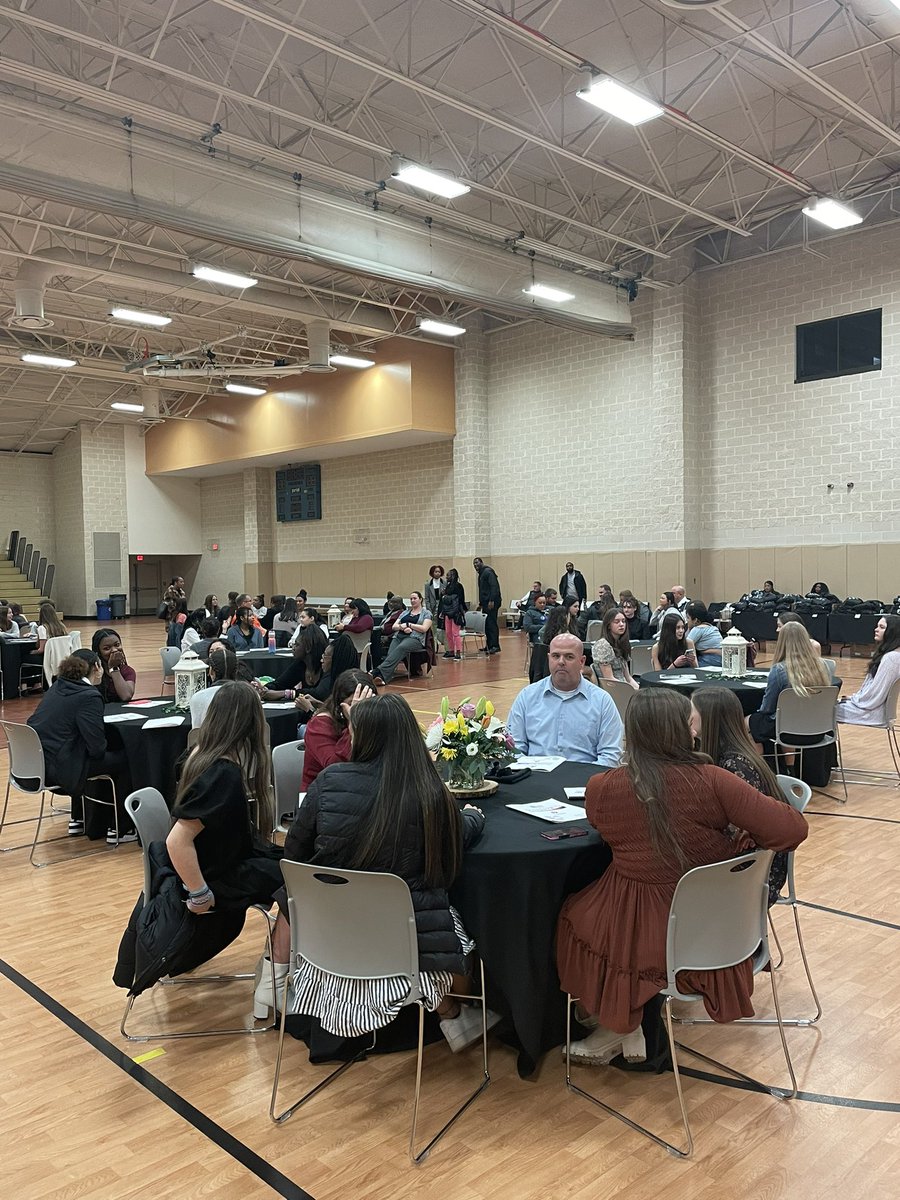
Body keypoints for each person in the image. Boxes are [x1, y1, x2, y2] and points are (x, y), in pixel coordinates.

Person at [556, 688, 808, 1066]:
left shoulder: (603, 788)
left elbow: (601, 827)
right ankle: (623, 1025)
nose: (696, 731)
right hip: (715, 931)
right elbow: (792, 829)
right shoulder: (713, 780)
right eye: (690, 723)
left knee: (570, 916)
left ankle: (617, 1022)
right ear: (679, 731)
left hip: (639, 928)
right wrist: (743, 842)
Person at [264, 693, 493, 1051]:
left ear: (364, 736)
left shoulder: (328, 783)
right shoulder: (429, 793)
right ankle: (452, 1012)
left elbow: (295, 859)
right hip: (406, 950)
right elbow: (448, 862)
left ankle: (272, 982)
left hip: (327, 942)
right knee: (461, 924)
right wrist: (473, 819)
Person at [165, 682, 283, 926]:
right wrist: (200, 894)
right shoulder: (222, 773)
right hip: (214, 875)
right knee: (298, 877)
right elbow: (176, 840)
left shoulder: (197, 754)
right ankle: (281, 955)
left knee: (289, 860)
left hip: (215, 861)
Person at [690, 687, 790, 906]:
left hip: (756, 871)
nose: (688, 717)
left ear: (709, 719)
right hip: (748, 857)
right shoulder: (728, 754)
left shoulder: (735, 766)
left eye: (692, 711)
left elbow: (743, 830)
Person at [27, 651, 134, 843]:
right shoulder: (89, 696)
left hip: (33, 766)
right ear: (96, 668)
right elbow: (97, 749)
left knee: (83, 754)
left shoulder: (57, 686)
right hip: (60, 771)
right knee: (127, 759)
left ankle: (80, 818)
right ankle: (120, 828)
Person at [507, 633, 623, 766]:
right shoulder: (527, 696)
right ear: (549, 658)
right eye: (556, 656)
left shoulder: (602, 701)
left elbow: (611, 755)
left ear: (582, 662)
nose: (561, 662)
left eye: (569, 657)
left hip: (583, 781)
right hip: (535, 777)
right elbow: (513, 748)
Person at [748, 621, 832, 750]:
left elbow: (767, 708)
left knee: (746, 723)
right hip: (818, 729)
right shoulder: (823, 666)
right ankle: (790, 768)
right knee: (787, 719)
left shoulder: (779, 670)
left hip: (788, 732)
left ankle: (759, 768)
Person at [300, 669, 376, 789]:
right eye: (353, 704)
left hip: (358, 788)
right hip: (321, 793)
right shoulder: (319, 725)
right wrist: (354, 724)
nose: (361, 711)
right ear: (339, 705)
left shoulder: (373, 718)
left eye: (366, 703)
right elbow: (336, 768)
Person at [837, 615, 900, 725]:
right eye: (877, 626)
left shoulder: (891, 658)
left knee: (823, 710)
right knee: (826, 707)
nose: (876, 629)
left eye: (881, 627)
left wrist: (855, 700)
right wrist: (853, 698)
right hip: (872, 709)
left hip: (872, 713)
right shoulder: (892, 654)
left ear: (892, 631)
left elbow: (875, 695)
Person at [372, 592, 433, 685]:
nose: (412, 601)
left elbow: (424, 628)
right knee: (391, 653)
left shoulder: (426, 613)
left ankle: (376, 672)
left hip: (415, 638)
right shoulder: (405, 612)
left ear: (420, 599)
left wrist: (410, 625)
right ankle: (382, 678)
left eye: (415, 598)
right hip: (399, 636)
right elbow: (394, 626)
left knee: (401, 648)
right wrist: (402, 627)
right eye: (411, 599)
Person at [189, 646, 238, 728]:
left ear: (211, 671)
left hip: (211, 740)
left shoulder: (198, 698)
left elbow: (196, 731)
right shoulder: (251, 694)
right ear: (236, 671)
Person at [592, 608, 638, 689]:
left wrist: (639, 690)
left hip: (625, 686)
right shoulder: (603, 645)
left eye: (623, 621)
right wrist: (630, 690)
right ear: (608, 625)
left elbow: (628, 678)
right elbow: (609, 680)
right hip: (613, 691)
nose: (621, 624)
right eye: (617, 622)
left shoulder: (621, 643)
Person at [92, 628, 137, 703]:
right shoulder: (92, 671)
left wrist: (113, 668)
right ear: (98, 652)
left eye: (117, 645)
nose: (114, 650)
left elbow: (126, 696)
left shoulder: (127, 671)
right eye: (107, 648)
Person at [473, 557, 502, 655]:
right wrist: (481, 603)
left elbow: (494, 587)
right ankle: (489, 645)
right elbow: (483, 590)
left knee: (491, 624)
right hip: (486, 603)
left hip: (492, 603)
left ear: (481, 562)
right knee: (487, 624)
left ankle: (495, 646)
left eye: (477, 563)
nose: (475, 565)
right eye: (474, 564)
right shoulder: (481, 574)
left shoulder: (488, 572)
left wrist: (491, 600)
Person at [439, 568, 466, 661]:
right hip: (447, 612)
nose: (446, 577)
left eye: (448, 575)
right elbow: (444, 601)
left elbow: (461, 600)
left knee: (455, 633)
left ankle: (458, 651)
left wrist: (462, 611)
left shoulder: (459, 586)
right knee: (448, 632)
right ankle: (451, 650)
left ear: (453, 576)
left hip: (456, 612)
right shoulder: (447, 586)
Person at [371, 596, 405, 670]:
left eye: (394, 602)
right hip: (381, 633)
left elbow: (394, 629)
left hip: (390, 637)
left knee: (374, 641)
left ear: (400, 604)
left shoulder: (401, 614)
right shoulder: (391, 612)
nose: (391, 604)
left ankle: (378, 666)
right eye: (390, 602)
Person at [425, 566, 447, 650]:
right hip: (432, 607)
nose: (437, 573)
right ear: (432, 573)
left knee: (442, 628)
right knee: (433, 628)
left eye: (439, 572)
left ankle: (446, 647)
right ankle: (434, 648)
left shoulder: (444, 583)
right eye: (435, 572)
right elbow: (427, 598)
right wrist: (429, 610)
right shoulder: (428, 584)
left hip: (442, 606)